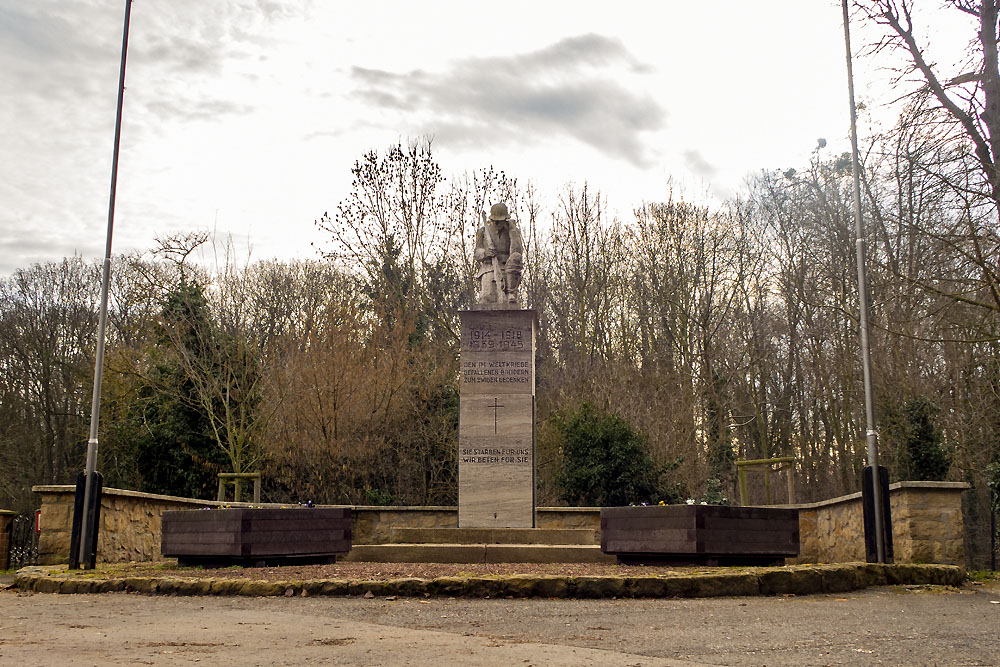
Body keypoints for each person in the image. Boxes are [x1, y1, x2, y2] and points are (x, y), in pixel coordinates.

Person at [475, 202, 523, 307]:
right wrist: (485, 253)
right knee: (487, 297)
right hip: (489, 267)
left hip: (508, 269)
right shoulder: (483, 231)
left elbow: (517, 252)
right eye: (496, 222)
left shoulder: (513, 231)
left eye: (501, 221)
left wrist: (513, 232)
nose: (498, 224)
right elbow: (477, 253)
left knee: (508, 301)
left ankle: (511, 293)